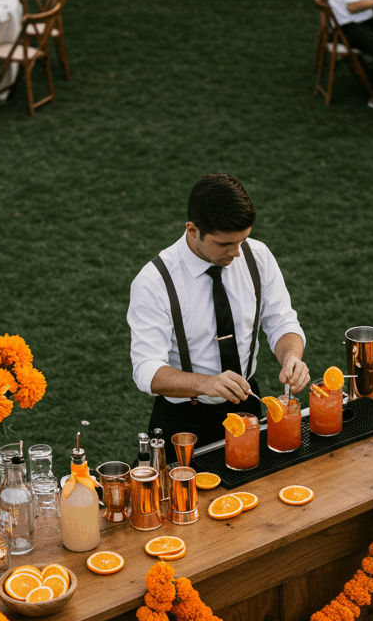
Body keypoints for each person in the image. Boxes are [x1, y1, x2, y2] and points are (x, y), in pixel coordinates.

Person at [127, 173, 310, 458]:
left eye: (242, 240)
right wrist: (207, 383)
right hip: (184, 422)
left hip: (247, 404)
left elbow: (282, 322)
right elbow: (146, 370)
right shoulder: (154, 282)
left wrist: (291, 357)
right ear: (192, 230)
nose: (237, 253)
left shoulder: (257, 256)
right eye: (225, 244)